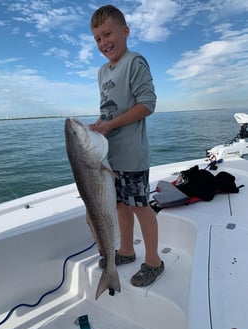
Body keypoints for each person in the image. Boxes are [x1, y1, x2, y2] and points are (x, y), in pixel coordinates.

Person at [90, 4, 164, 287]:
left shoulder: (135, 62)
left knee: (140, 206)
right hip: (110, 157)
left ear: (125, 31)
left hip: (132, 154)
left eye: (108, 34)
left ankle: (154, 261)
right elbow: (108, 110)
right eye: (97, 38)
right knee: (120, 205)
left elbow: (148, 104)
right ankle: (127, 250)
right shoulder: (101, 72)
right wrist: (99, 125)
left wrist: (111, 125)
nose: (103, 43)